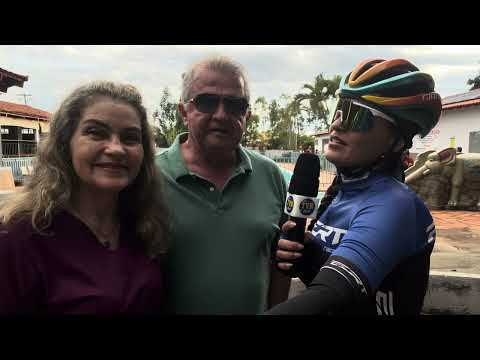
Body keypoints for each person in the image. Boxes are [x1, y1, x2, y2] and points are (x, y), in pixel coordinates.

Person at [266, 58, 442, 315]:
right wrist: (307, 255)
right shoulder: (340, 193)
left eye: (355, 116)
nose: (337, 124)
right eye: (338, 111)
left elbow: (329, 295)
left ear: (394, 142)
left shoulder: (394, 205)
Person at [0, 81, 169, 314]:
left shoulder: (143, 227)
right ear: (64, 144)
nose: (116, 149)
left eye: (130, 138)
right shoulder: (21, 238)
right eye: (96, 133)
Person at [155, 56, 291, 314]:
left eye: (235, 105)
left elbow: (280, 262)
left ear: (247, 115)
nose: (221, 114)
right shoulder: (150, 177)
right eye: (207, 102)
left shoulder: (271, 176)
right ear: (184, 112)